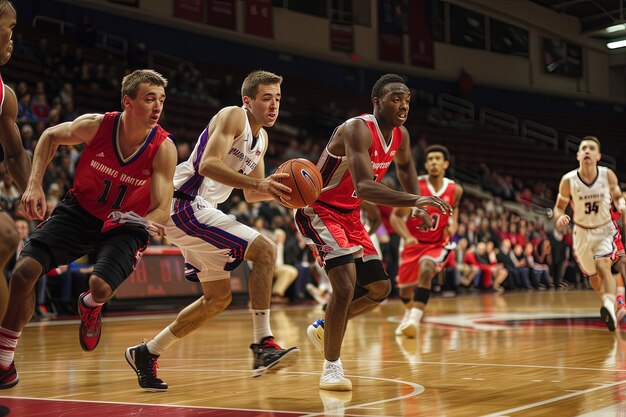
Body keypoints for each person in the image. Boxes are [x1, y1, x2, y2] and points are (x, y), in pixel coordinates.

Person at [0, 69, 177, 389]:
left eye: (161, 100)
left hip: (126, 224)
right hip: (80, 211)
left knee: (99, 286)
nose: (157, 107)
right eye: (149, 99)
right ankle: (4, 360)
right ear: (128, 101)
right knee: (24, 271)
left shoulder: (163, 148)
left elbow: (163, 206)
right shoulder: (98, 125)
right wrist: (35, 184)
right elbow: (50, 136)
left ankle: (90, 306)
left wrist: (154, 221)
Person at [125, 70, 299, 392]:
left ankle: (147, 352)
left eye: (277, 99)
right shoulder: (233, 116)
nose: (274, 105)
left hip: (202, 210)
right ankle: (263, 343)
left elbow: (253, 193)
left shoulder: (261, 139)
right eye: (266, 98)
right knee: (265, 251)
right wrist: (259, 182)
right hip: (184, 203)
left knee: (217, 299)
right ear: (248, 101)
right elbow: (207, 165)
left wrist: (295, 197)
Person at [296, 74, 451, 391]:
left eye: (407, 99)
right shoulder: (356, 128)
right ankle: (331, 368)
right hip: (320, 210)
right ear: (377, 102)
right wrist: (415, 198)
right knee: (345, 286)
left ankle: (326, 328)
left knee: (380, 288)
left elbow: (406, 167)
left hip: (350, 215)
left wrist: (415, 207)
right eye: (396, 99)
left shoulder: (401, 136)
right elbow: (366, 185)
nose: (403, 105)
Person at [553, 136, 626, 332]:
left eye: (591, 148)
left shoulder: (607, 175)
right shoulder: (568, 180)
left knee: (604, 265)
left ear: (598, 155)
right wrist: (559, 218)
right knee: (593, 277)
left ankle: (611, 305)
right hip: (581, 233)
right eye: (583, 148)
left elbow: (618, 195)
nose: (587, 151)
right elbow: (558, 208)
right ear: (577, 154)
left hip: (604, 230)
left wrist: (621, 204)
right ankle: (609, 301)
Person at [391, 145, 462, 338]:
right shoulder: (415, 186)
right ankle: (408, 312)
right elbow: (395, 217)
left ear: (445, 164)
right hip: (413, 244)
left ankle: (414, 319)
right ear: (425, 164)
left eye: (438, 159)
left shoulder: (455, 189)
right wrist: (407, 236)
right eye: (430, 159)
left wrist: (453, 224)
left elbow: (454, 212)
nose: (434, 162)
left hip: (436, 244)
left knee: (427, 268)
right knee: (404, 291)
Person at [0, 0, 31, 322]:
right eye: (9, 28)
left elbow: (15, 154)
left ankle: (3, 357)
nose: (12, 39)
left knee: (7, 237)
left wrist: (32, 190)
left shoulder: (4, 95)